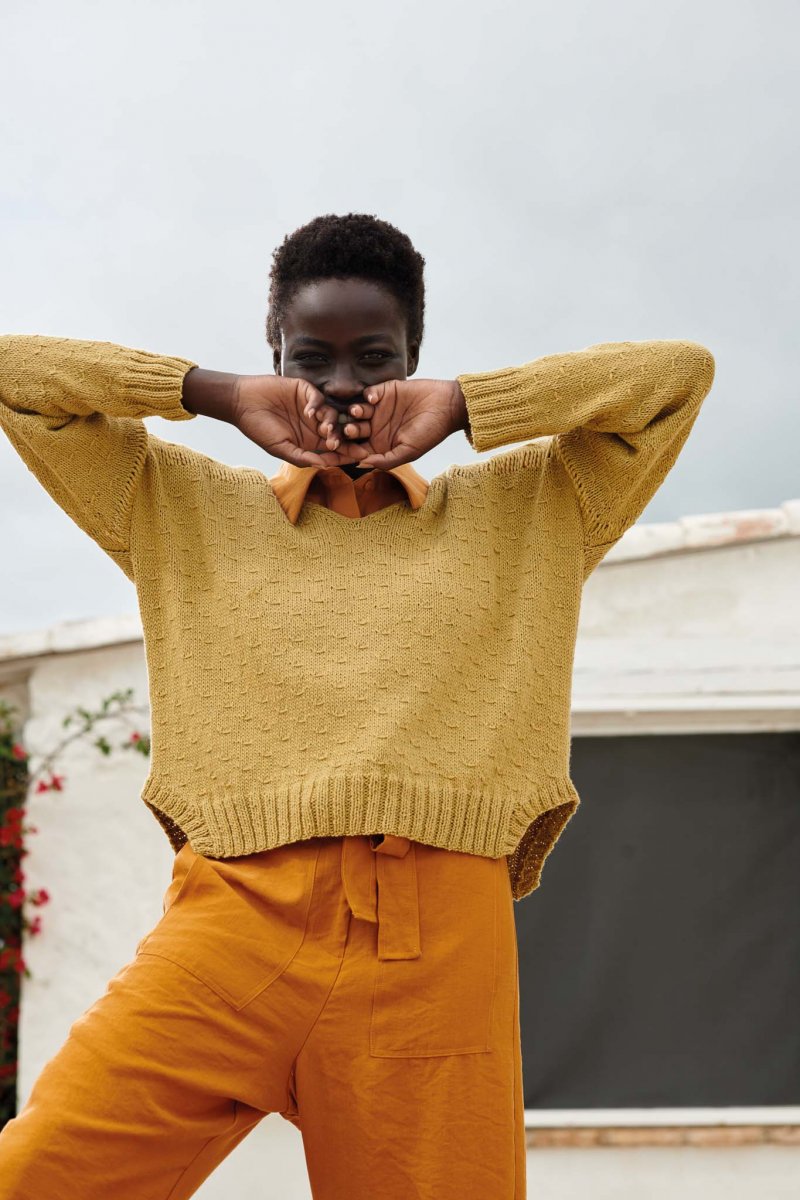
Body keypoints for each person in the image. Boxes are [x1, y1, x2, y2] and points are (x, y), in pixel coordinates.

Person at [0, 212, 716, 1198]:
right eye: (310, 358)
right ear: (274, 356)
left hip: (433, 953)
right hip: (231, 925)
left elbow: (675, 377)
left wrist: (466, 405)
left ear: (414, 357)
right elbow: (18, 377)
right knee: (37, 1177)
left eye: (374, 357)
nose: (342, 386)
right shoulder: (176, 504)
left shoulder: (532, 508)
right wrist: (212, 394)